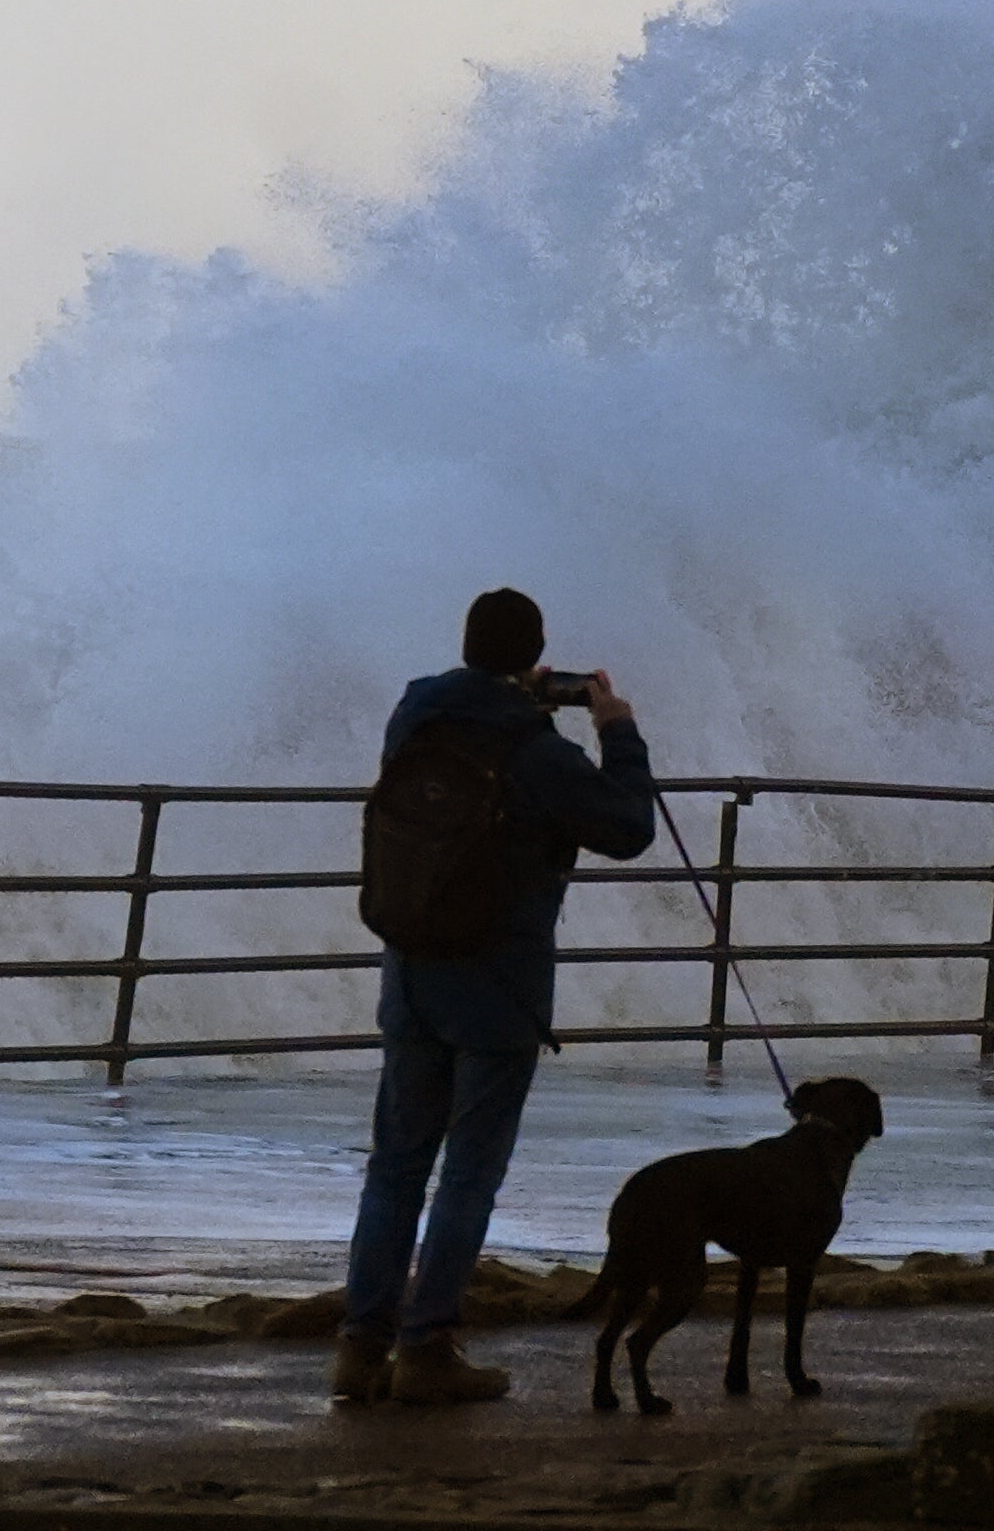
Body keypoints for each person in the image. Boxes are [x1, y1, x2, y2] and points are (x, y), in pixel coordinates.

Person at [334, 587, 657, 1406]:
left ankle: (360, 1348)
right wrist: (615, 731)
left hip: (410, 971)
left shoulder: (416, 712)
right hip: (499, 983)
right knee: (468, 1177)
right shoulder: (536, 750)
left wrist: (511, 691)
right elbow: (627, 828)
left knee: (395, 1169)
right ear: (535, 656)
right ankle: (428, 1348)